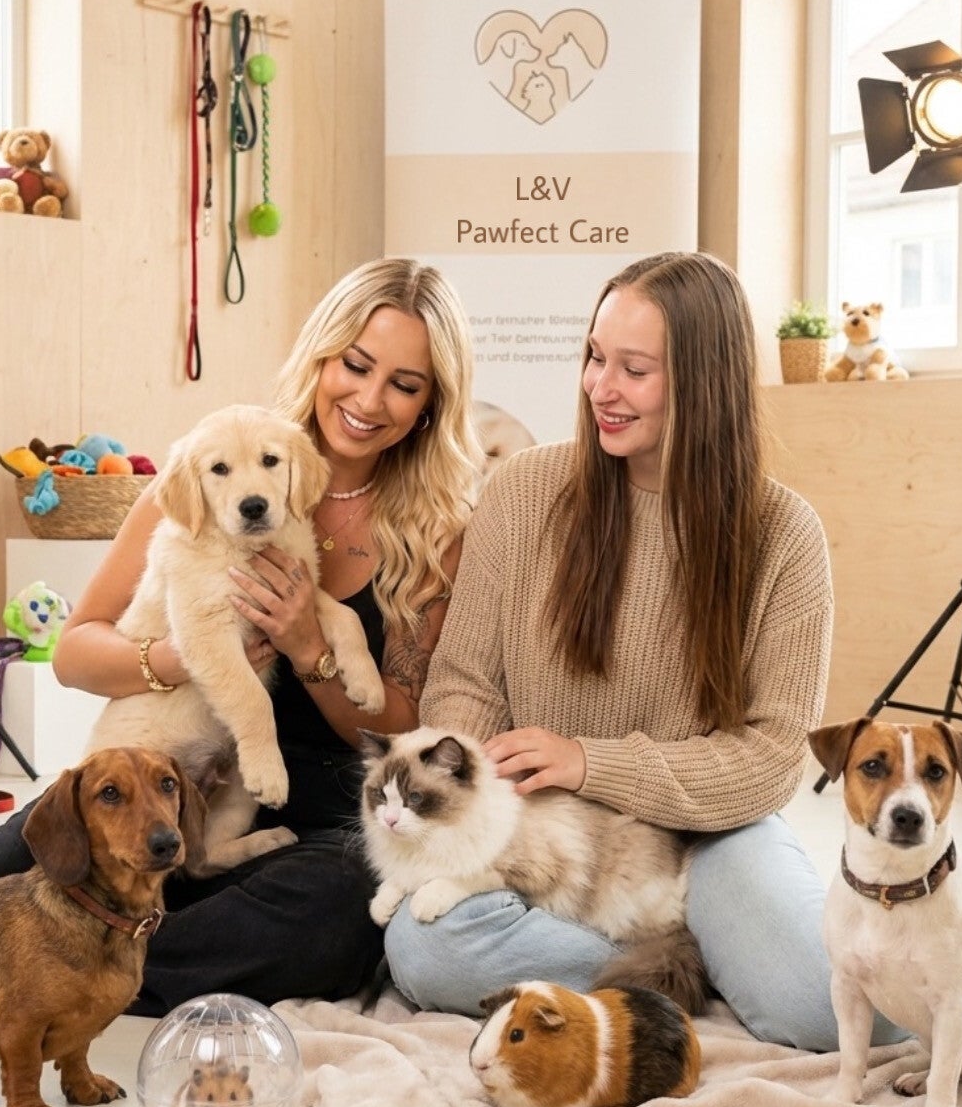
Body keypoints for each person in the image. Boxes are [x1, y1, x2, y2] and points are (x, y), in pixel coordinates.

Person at [0, 258, 482, 1017]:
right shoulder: (211, 467)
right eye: (355, 365)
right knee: (3, 873)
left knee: (334, 912)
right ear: (321, 357)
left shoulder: (433, 531)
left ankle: (69, 968)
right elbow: (75, 652)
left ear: (430, 405)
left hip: (317, 809)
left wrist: (308, 650)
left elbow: (403, 727)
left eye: (404, 384)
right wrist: (178, 659)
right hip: (160, 771)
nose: (369, 399)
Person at [383, 250, 900, 1052]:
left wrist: (590, 762)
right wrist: (481, 794)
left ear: (704, 382)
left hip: (708, 837)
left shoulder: (783, 533)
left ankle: (701, 949)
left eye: (634, 369)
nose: (600, 386)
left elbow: (770, 759)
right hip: (544, 827)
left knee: (820, 1004)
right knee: (425, 949)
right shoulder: (521, 490)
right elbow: (464, 683)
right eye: (594, 356)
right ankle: (682, 964)